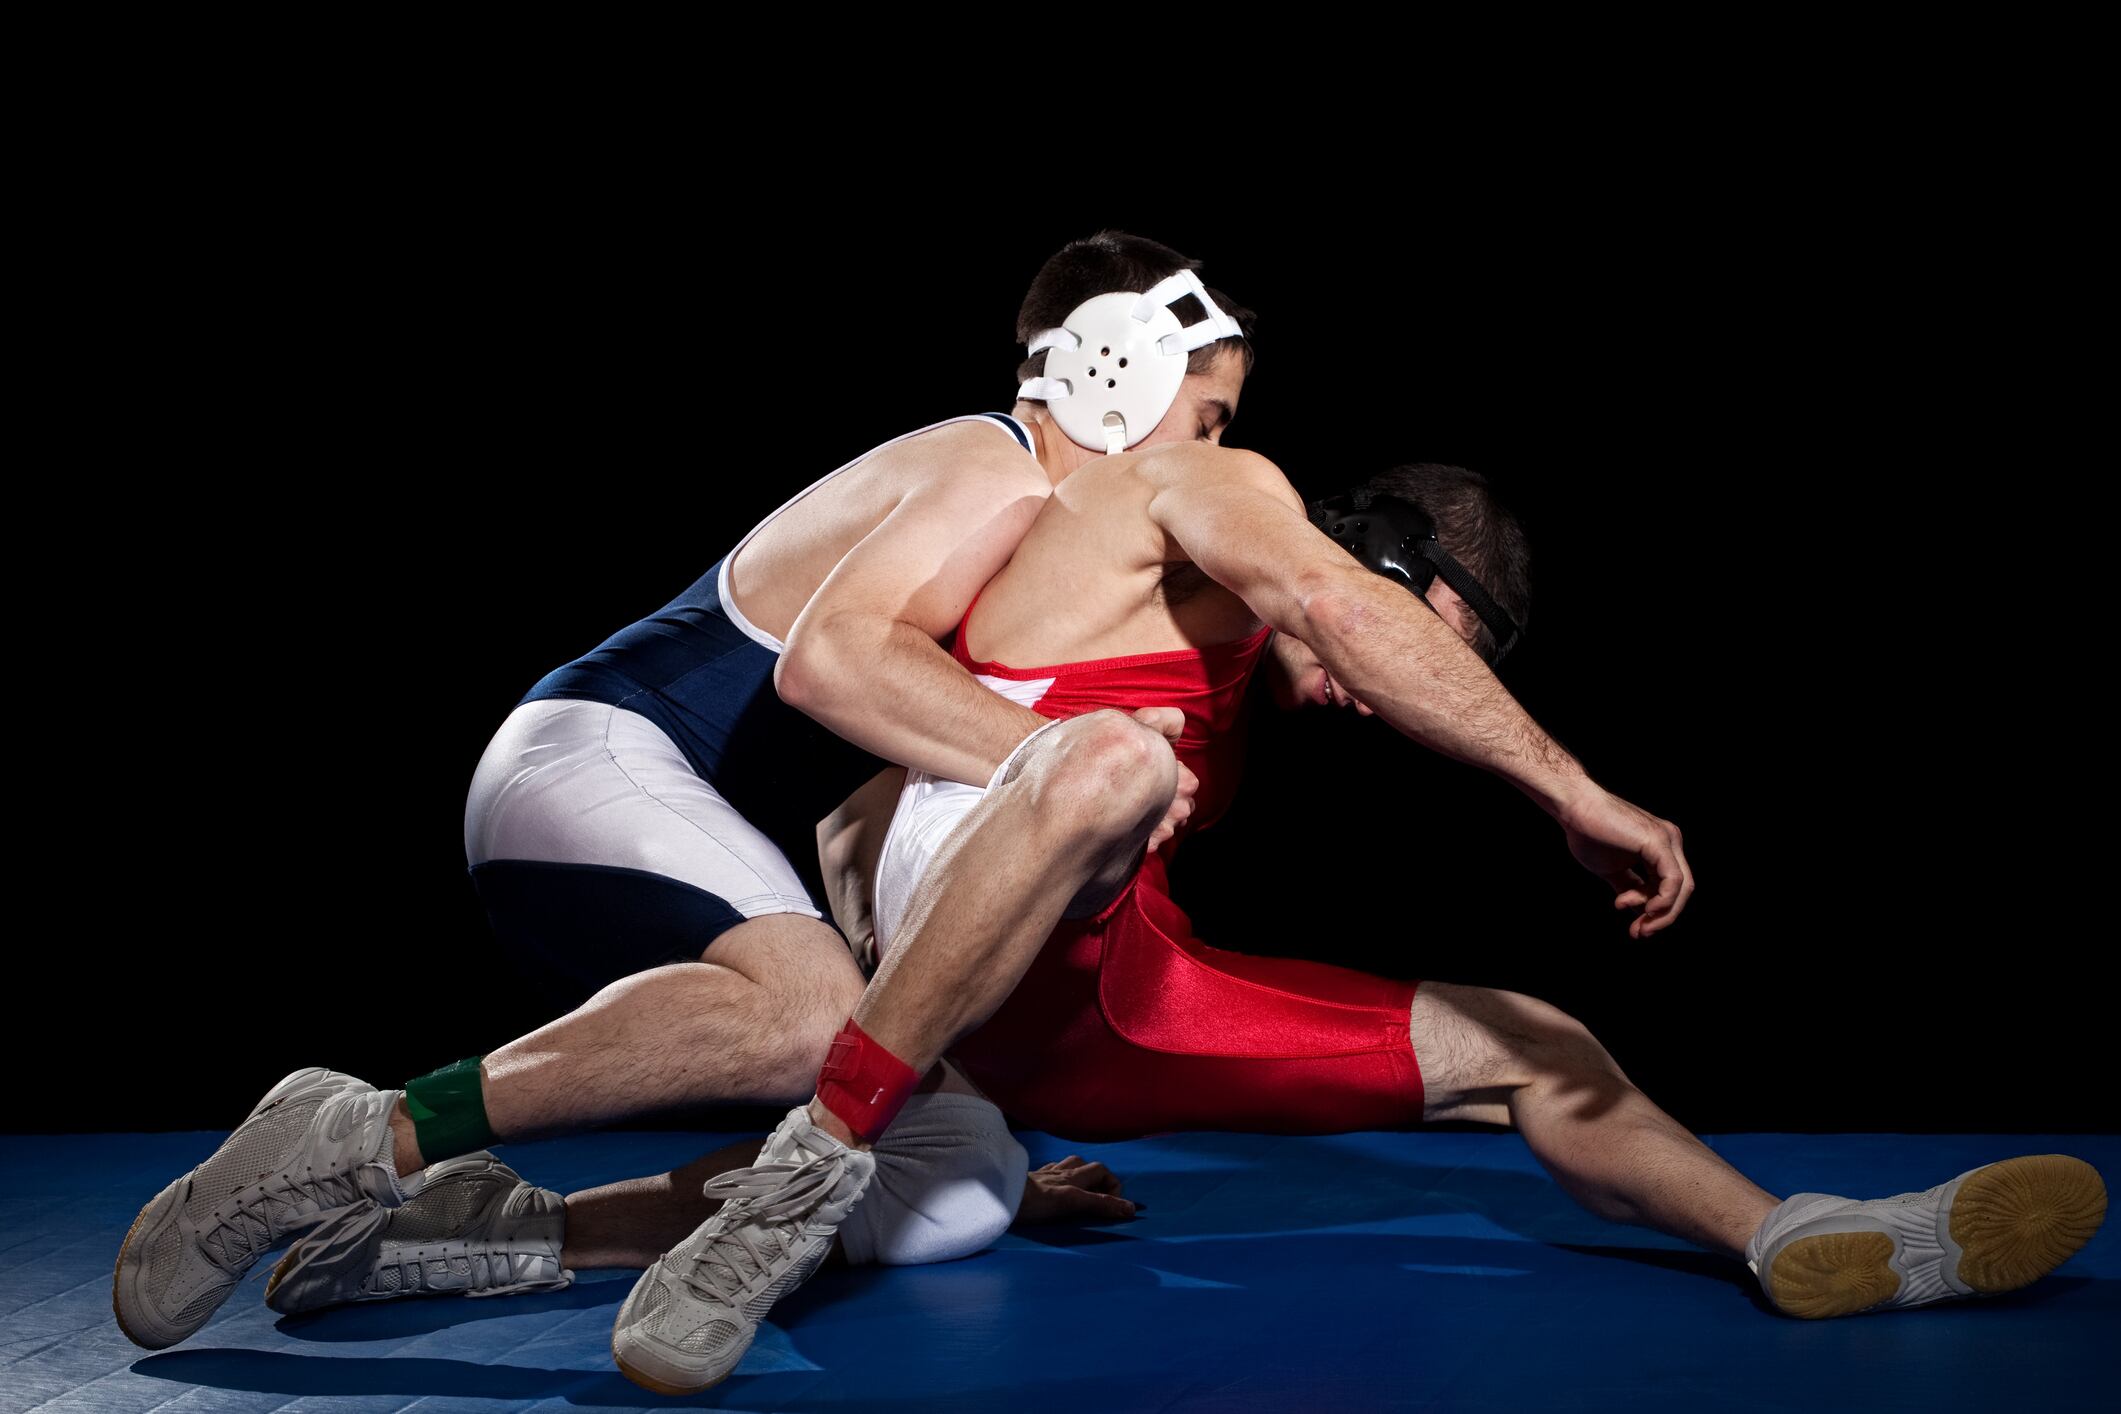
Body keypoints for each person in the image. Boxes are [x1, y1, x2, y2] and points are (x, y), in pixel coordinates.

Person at [606, 452, 2107, 1396]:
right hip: (977, 938)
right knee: (1095, 793)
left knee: (1531, 1041)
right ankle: (628, 1195)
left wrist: (963, 1084)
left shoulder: (1231, 687)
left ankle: (1804, 1237)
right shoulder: (1193, 498)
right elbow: (861, 816)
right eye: (1397, 641)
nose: (1358, 696)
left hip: (1091, 1004)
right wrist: (1568, 786)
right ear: (1371, 567)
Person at [110, 230, 1255, 1353]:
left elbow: (853, 834)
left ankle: (484, 1232)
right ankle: (360, 1132)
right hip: (597, 754)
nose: (1208, 458)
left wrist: (951, 1101)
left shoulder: (1028, 563)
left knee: (953, 1172)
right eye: (1209, 423)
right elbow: (830, 662)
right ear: (1119, 368)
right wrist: (1059, 750)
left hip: (677, 824)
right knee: (812, 1024)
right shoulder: (993, 465)